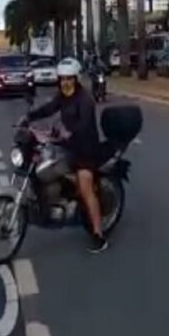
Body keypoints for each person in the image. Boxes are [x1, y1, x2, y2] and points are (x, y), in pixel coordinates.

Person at [19, 57, 108, 253]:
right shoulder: (63, 96)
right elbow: (49, 108)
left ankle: (98, 235)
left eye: (69, 78)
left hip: (86, 150)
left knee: (85, 188)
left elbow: (84, 125)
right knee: (44, 165)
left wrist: (67, 133)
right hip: (68, 147)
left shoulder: (85, 100)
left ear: (76, 78)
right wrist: (29, 117)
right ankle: (48, 206)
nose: (65, 82)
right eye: (62, 79)